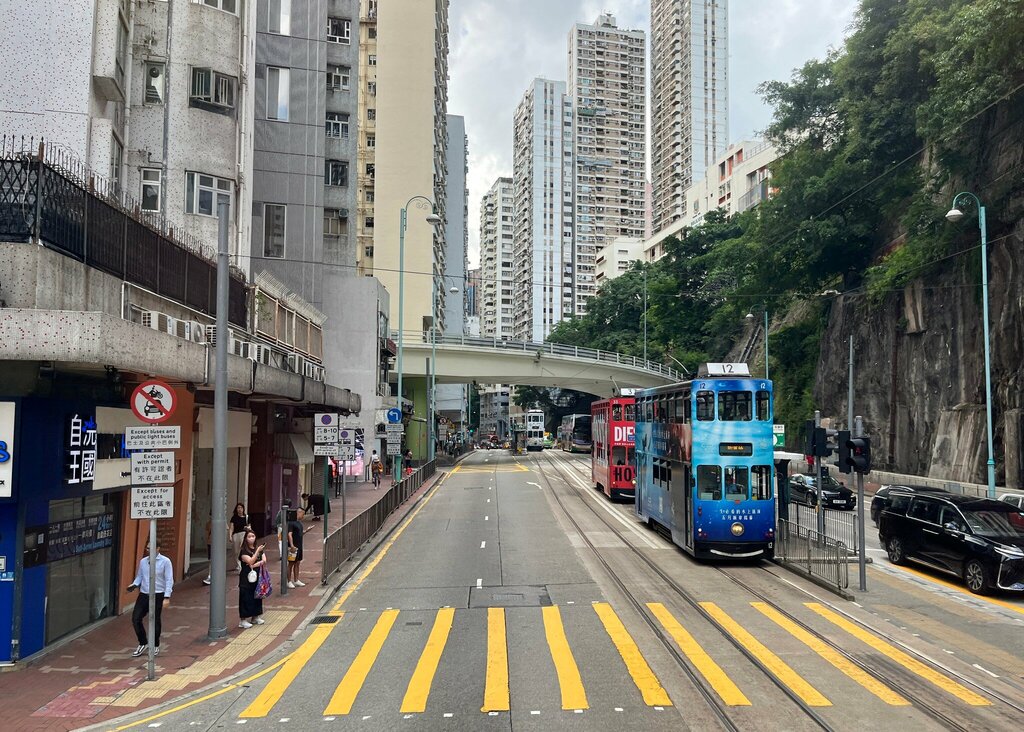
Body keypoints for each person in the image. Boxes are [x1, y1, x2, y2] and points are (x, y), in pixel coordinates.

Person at [127, 539, 173, 657]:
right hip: (144, 594)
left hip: (158, 593)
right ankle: (143, 642)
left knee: (155, 620)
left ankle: (155, 645)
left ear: (158, 548)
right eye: (147, 548)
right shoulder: (143, 561)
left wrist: (166, 597)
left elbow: (169, 580)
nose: (148, 551)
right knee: (136, 618)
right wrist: (134, 584)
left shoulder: (165, 561)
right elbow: (140, 576)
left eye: (150, 548)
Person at [237, 529, 266, 628]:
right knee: (246, 597)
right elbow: (250, 561)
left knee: (257, 596)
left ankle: (255, 617)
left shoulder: (257, 548)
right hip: (246, 578)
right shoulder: (244, 551)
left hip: (257, 577)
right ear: (245, 538)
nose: (251, 538)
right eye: (249, 537)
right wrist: (257, 552)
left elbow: (264, 560)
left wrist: (255, 564)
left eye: (253, 536)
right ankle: (243, 620)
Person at [287, 509, 306, 588]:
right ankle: (288, 581)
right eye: (303, 514)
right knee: (291, 564)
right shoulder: (291, 523)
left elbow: (300, 534)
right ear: (299, 513)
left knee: (298, 562)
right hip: (294, 547)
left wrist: (307, 531)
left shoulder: (299, 523)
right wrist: (291, 545)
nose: (303, 516)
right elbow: (289, 535)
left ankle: (296, 580)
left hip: (299, 546)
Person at [229, 503, 249, 568]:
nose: (240, 509)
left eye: (241, 508)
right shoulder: (234, 518)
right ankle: (239, 563)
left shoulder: (246, 517)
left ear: (243, 509)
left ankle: (242, 565)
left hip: (244, 534)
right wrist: (230, 536)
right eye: (238, 508)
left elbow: (249, 527)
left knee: (242, 548)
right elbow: (231, 528)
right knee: (236, 552)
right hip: (236, 535)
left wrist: (248, 528)